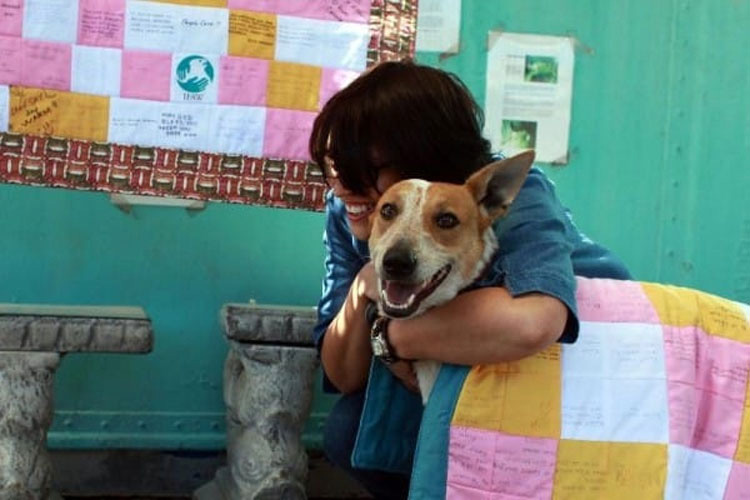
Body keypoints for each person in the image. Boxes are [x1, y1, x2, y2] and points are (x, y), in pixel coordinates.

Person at [308, 60, 630, 499]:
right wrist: (364, 285)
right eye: (332, 165)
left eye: (362, 167)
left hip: (584, 365)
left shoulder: (510, 195)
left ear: (421, 159)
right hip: (470, 365)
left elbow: (535, 321)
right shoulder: (356, 209)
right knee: (352, 428)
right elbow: (343, 374)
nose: (342, 185)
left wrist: (392, 336)